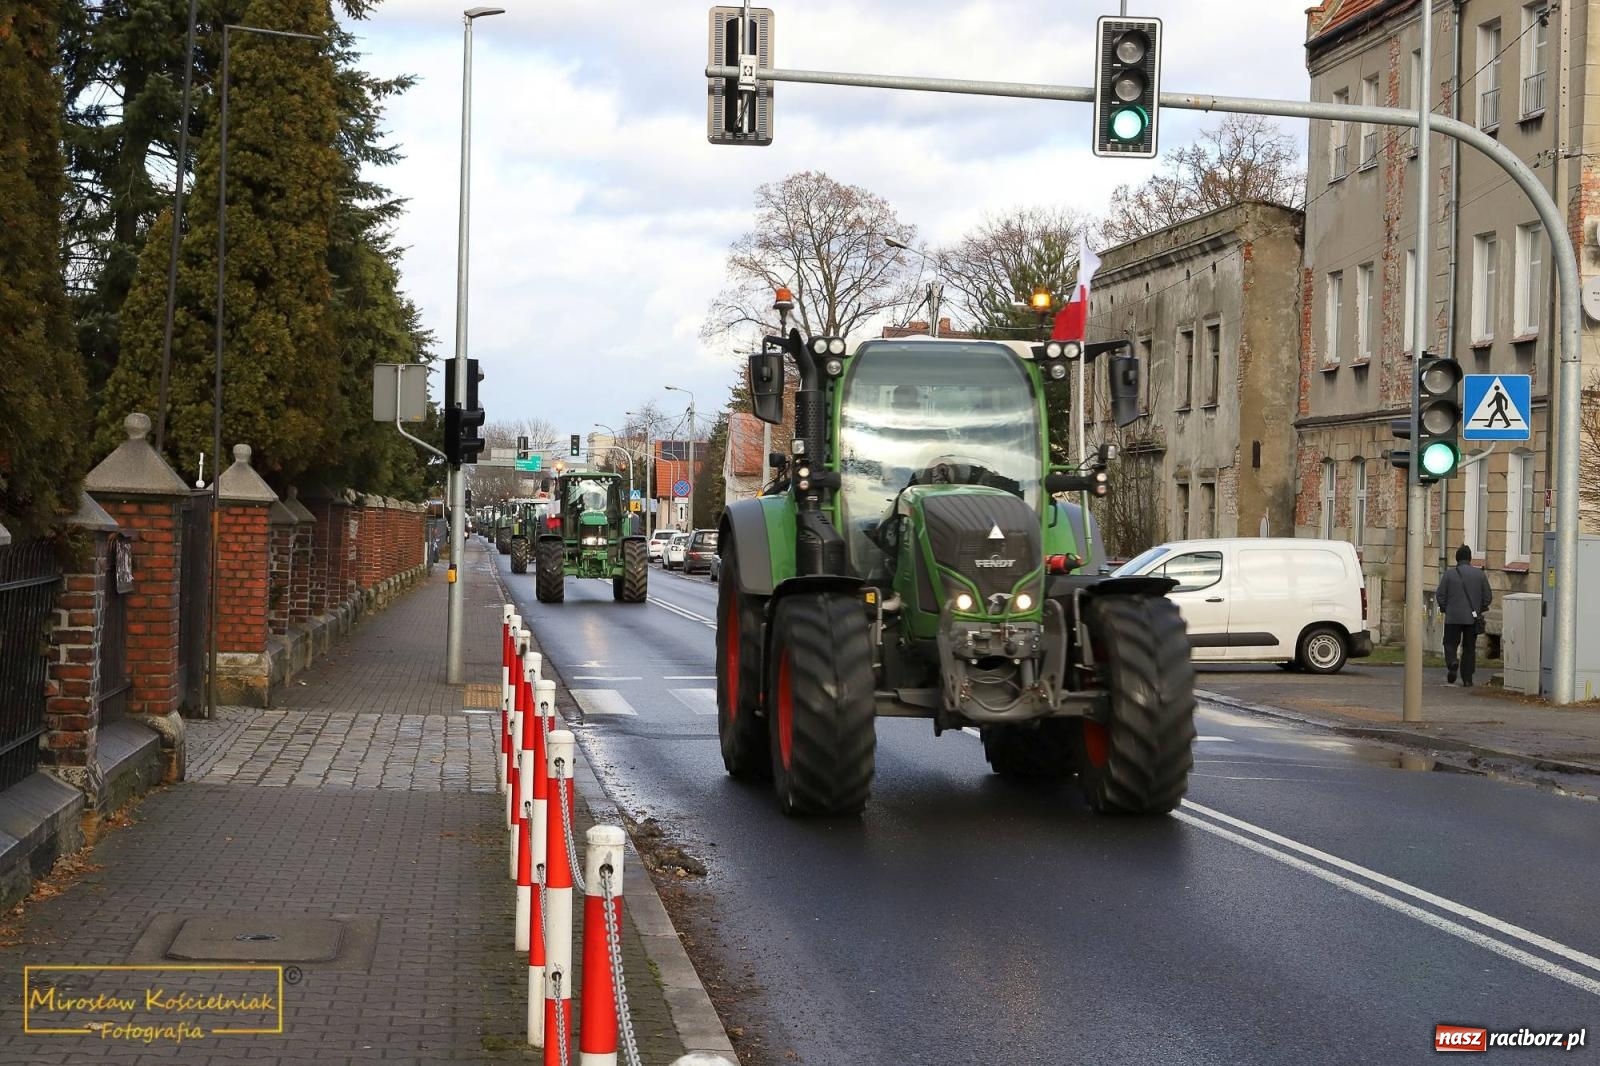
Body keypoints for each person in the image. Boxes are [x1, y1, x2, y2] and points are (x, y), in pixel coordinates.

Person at [1436, 544, 1493, 686]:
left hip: (1453, 617)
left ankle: (1452, 662)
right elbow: (1488, 597)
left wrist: (1445, 608)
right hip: (1471, 618)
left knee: (1449, 643)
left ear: (1457, 558)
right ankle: (1467, 678)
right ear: (1470, 558)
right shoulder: (1480, 575)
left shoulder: (1449, 575)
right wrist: (1478, 609)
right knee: (1469, 648)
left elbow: (1440, 595)